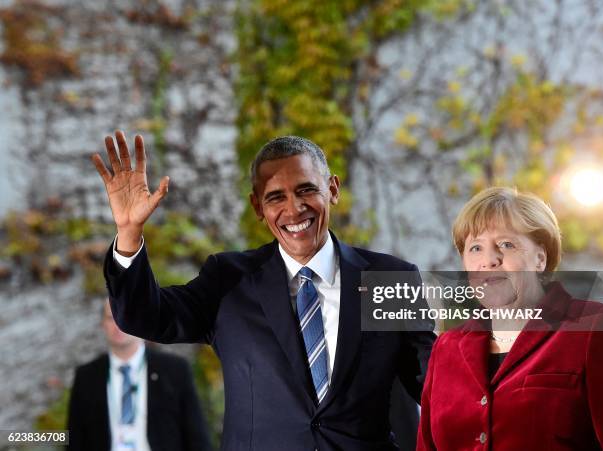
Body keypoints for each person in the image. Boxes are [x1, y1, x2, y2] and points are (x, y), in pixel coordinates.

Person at [92, 130, 436, 450]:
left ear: (332, 188)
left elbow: (436, 385)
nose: (294, 209)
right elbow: (146, 318)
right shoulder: (228, 280)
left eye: (306, 190)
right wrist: (128, 234)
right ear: (258, 207)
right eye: (276, 197)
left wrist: (489, 340)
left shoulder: (388, 278)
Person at [417, 187, 603, 450]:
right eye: (475, 248)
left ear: (540, 259)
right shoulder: (446, 347)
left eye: (506, 245)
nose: (489, 260)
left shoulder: (594, 327)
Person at [66, 299, 211, 451]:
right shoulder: (87, 376)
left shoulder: (175, 370)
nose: (119, 323)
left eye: (126, 315)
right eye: (111, 317)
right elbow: (74, 439)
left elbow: (198, 437)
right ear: (102, 324)